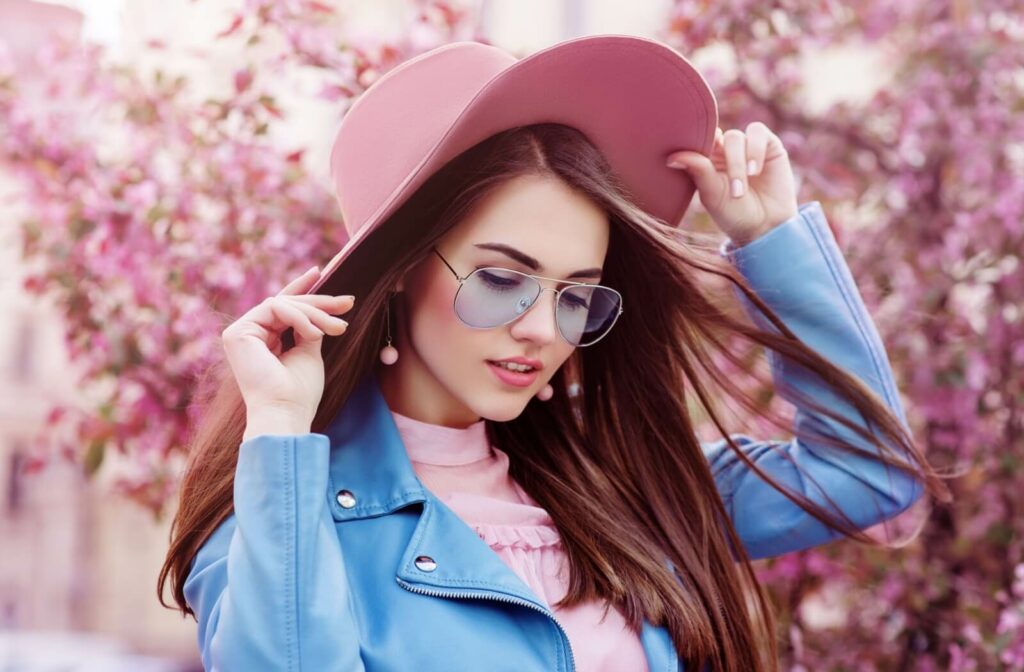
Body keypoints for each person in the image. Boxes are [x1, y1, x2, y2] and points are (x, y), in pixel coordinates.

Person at [158, 35, 951, 671]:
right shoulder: (283, 517)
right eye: (502, 280)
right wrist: (280, 431)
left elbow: (865, 473)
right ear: (400, 274)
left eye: (577, 294)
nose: (543, 328)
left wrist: (770, 241)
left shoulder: (618, 488)